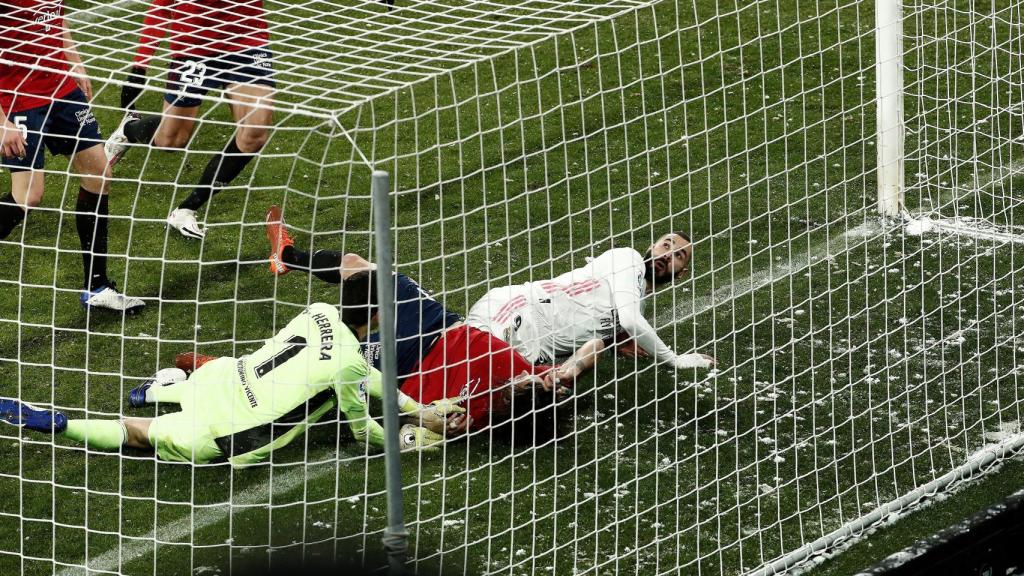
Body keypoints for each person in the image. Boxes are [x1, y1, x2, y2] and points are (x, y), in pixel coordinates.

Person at [0, 294, 468, 466]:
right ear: (377, 316)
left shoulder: (320, 312)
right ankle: (73, 424)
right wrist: (411, 439)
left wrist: (416, 408)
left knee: (200, 378)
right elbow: (362, 429)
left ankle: (154, 390)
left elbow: (366, 374)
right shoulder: (349, 364)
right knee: (137, 436)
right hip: (235, 430)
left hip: (220, 380)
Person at [260, 206, 598, 431]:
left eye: (526, 382)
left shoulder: (475, 416)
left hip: (403, 363)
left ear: (512, 399)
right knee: (358, 268)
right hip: (437, 322)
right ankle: (288, 257)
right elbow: (595, 345)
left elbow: (412, 419)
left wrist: (430, 425)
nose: (527, 374)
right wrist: (573, 369)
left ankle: (221, 369)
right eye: (533, 379)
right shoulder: (534, 380)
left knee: (318, 353)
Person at [0, 0, 145, 313]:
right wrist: (2, 122)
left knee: (99, 175)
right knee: (28, 196)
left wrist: (75, 62)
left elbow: (57, 18)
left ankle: (98, 287)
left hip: (62, 90)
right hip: (19, 100)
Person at [105, 0, 274, 240]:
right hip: (193, 43)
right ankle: (129, 130)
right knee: (171, 140)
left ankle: (186, 209)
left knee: (254, 133)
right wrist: (141, 65)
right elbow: (161, 5)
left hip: (245, 39)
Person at [466, 232, 716, 370]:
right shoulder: (628, 259)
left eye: (678, 255)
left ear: (681, 273)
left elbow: (614, 317)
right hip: (517, 309)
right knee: (470, 363)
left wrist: (617, 340)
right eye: (666, 245)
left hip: (534, 348)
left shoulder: (637, 298)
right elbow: (631, 321)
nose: (668, 254)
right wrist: (675, 359)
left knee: (499, 392)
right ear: (652, 247)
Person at [117, 0, 174, 111]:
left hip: (207, 45)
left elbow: (161, 10)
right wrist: (139, 68)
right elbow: (161, 10)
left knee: (174, 125)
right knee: (174, 124)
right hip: (193, 51)